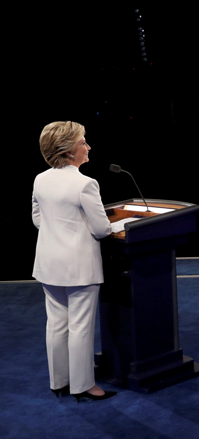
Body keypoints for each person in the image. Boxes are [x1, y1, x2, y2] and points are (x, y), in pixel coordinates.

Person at [32, 121, 117, 401]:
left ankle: (59, 382)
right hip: (79, 267)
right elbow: (102, 229)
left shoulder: (40, 179)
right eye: (83, 141)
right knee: (80, 326)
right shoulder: (85, 184)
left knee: (56, 323)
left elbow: (37, 219)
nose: (88, 146)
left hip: (48, 263)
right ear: (69, 151)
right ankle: (83, 386)